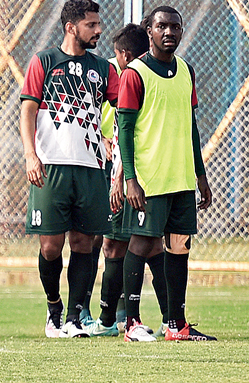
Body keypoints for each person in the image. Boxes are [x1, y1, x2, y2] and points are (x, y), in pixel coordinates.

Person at [20, 0, 119, 338]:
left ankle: (75, 317)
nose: (98, 30)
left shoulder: (103, 69)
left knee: (83, 243)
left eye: (98, 24)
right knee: (50, 245)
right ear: (70, 27)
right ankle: (53, 310)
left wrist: (111, 142)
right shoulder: (44, 61)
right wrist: (31, 156)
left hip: (91, 168)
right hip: (51, 167)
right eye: (91, 25)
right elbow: (28, 111)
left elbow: (123, 111)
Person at [118, 6, 216, 342]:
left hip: (181, 179)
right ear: (149, 30)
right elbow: (125, 131)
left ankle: (177, 324)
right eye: (162, 26)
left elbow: (191, 128)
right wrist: (130, 178)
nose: (169, 32)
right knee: (142, 244)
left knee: (179, 249)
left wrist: (200, 175)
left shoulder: (187, 71)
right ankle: (131, 323)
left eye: (175, 26)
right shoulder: (135, 73)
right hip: (150, 179)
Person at [84, 23, 169, 338]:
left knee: (116, 245)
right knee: (151, 245)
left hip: (128, 176)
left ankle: (110, 320)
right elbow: (115, 131)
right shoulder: (154, 77)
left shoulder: (131, 79)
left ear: (125, 55)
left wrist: (119, 178)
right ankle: (166, 317)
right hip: (150, 173)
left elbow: (126, 136)